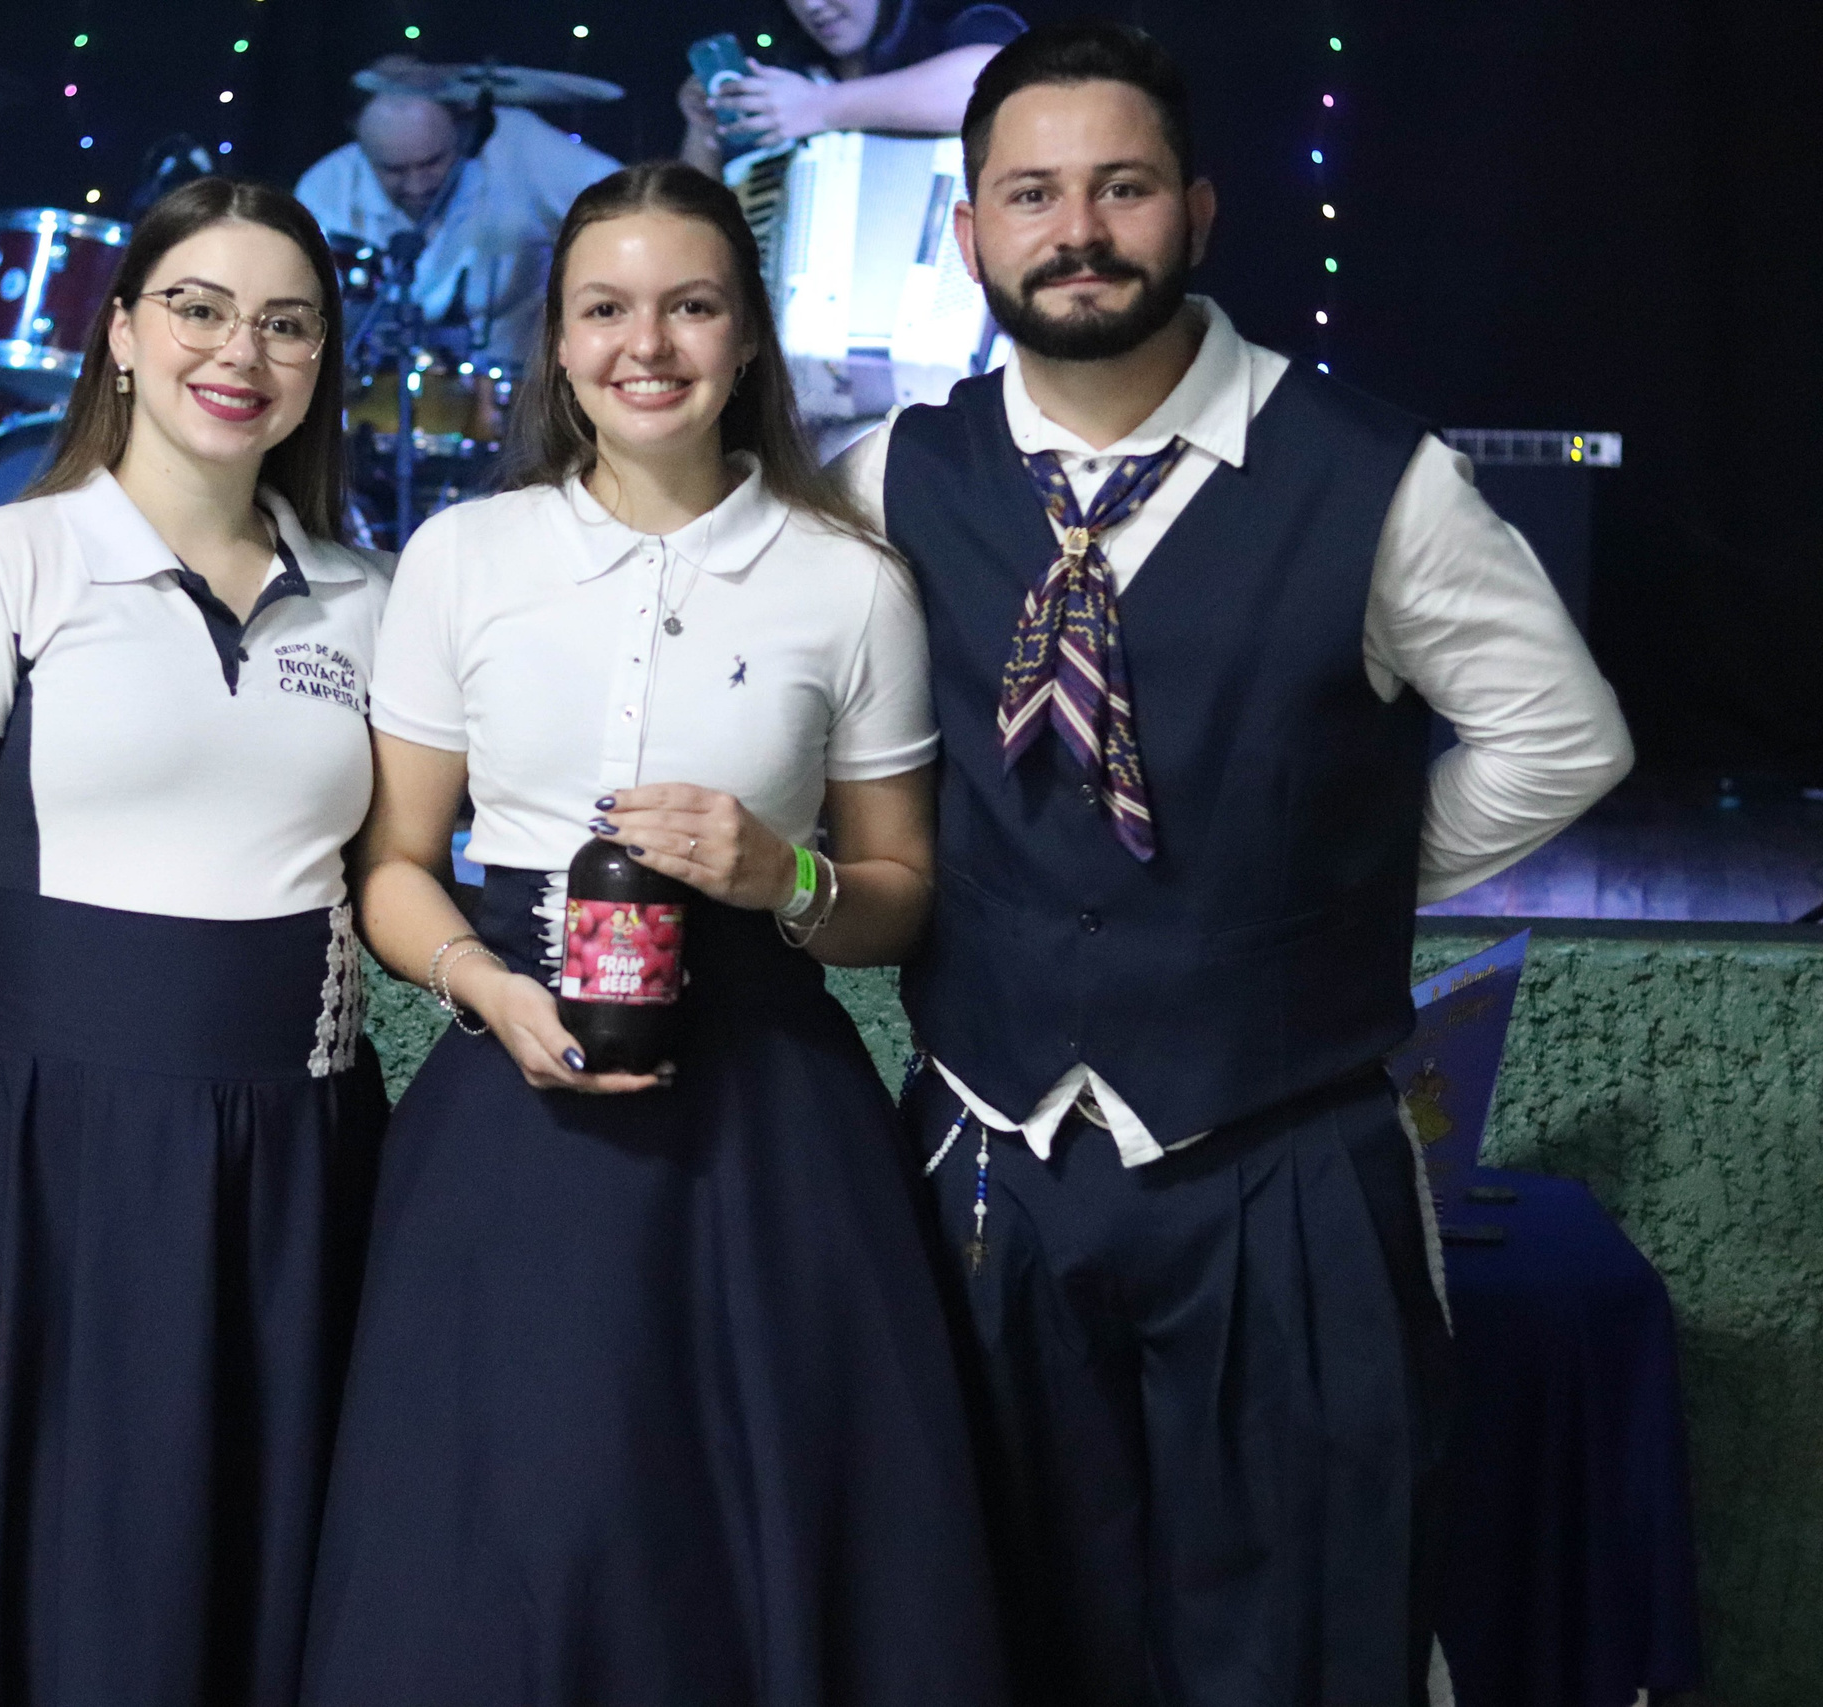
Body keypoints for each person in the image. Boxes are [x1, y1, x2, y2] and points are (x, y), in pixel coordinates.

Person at [832, 22, 1634, 1707]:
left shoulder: (1374, 474)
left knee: (1311, 1622)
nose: (1078, 231)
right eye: (1031, 194)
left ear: (1195, 212)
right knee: (987, 1610)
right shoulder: (895, 477)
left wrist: (1334, 877)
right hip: (987, 1152)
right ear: (970, 232)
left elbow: (1562, 737)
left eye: (1121, 188)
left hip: (1287, 1151)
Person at [301, 161, 1008, 1706]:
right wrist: (485, 986)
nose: (649, 344)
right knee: (506, 1542)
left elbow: (898, 898)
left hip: (769, 1129)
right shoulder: (464, 560)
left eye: (691, 306)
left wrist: (781, 875)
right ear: (557, 343)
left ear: (747, 337)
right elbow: (399, 865)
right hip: (513, 1101)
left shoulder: (852, 582)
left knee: (763, 1556)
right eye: (605, 308)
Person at [0, 178, 391, 1707]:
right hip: (55, 1175)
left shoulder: (371, 600)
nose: (238, 350)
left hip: (303, 1164)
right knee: (59, 1598)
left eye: (286, 322)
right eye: (196, 305)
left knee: (267, 1585)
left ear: (321, 362)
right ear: (121, 331)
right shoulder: (6, 564)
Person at [295, 60, 619, 362]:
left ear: (465, 132)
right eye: (394, 171)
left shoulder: (519, 145)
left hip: (517, 393)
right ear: (361, 146)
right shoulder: (324, 191)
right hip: (375, 401)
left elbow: (630, 206)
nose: (417, 184)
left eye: (433, 162)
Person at [680, 1, 1027, 177]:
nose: (812, 6)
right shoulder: (790, 81)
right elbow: (696, 220)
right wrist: (701, 131)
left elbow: (994, 84)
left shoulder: (958, 28)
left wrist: (819, 108)